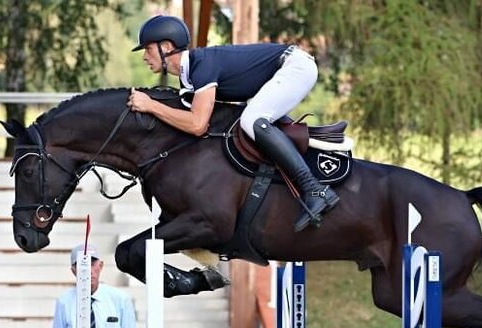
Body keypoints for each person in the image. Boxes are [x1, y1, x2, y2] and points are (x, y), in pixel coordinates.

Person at [126, 14, 339, 233]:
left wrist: (150, 105)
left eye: (148, 49)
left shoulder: (201, 65)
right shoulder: (189, 75)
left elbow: (197, 125)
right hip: (283, 69)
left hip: (295, 67)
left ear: (167, 46)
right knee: (247, 120)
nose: (144, 56)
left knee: (252, 120)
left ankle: (314, 189)